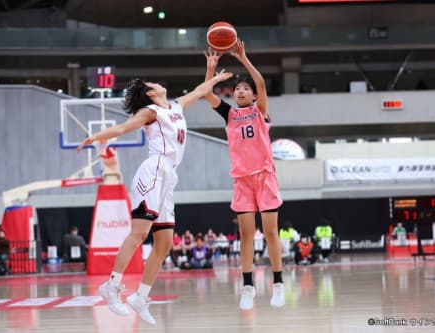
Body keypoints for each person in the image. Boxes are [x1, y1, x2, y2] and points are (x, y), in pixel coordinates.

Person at [76, 71, 232, 324]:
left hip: (169, 177)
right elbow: (124, 127)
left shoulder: (175, 106)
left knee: (165, 243)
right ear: (150, 93)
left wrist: (213, 74)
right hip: (153, 172)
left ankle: (140, 296)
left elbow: (201, 91)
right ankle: (112, 285)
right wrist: (97, 136)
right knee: (138, 234)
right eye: (152, 83)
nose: (159, 82)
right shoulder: (150, 112)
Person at [204, 41, 285, 310]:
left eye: (245, 89)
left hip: (264, 176)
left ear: (252, 96)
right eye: (237, 88)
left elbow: (261, 83)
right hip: (242, 180)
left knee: (271, 233)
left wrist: (244, 58)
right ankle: (248, 286)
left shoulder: (259, 112)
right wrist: (211, 70)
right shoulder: (229, 114)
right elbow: (207, 94)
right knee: (246, 235)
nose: (241, 91)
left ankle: (278, 284)